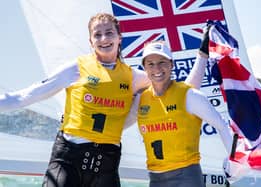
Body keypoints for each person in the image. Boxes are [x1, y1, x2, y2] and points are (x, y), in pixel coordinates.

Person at [0, 13, 152, 187]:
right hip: (68, 160)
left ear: (119, 38)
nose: (104, 39)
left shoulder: (134, 77)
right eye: (97, 34)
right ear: (91, 42)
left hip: (107, 165)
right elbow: (26, 95)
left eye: (109, 33)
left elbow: (171, 89)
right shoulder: (76, 68)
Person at [126, 40, 233, 187]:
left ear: (172, 64)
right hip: (155, 178)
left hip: (186, 176)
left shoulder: (190, 95)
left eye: (162, 62)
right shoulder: (140, 99)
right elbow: (119, 125)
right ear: (144, 68)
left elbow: (222, 125)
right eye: (150, 64)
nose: (156, 68)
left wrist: (234, 160)